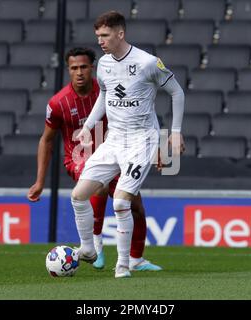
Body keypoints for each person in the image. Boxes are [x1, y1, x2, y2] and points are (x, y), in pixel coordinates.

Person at [71, 11, 185, 278]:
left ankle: (123, 265)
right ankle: (88, 249)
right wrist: (88, 126)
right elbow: (105, 97)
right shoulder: (104, 64)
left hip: (141, 140)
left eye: (105, 35)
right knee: (78, 195)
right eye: (98, 36)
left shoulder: (148, 63)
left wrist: (176, 132)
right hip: (114, 140)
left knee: (121, 203)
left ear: (120, 34)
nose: (100, 41)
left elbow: (177, 92)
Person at [27, 47, 162, 271]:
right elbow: (46, 140)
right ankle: (94, 247)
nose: (79, 72)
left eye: (83, 67)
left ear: (93, 68)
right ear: (68, 70)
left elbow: (143, 115)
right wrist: (40, 181)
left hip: (117, 153)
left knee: (135, 205)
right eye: (74, 68)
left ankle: (136, 259)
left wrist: (154, 146)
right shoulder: (58, 103)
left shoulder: (112, 89)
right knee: (98, 187)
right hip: (78, 157)